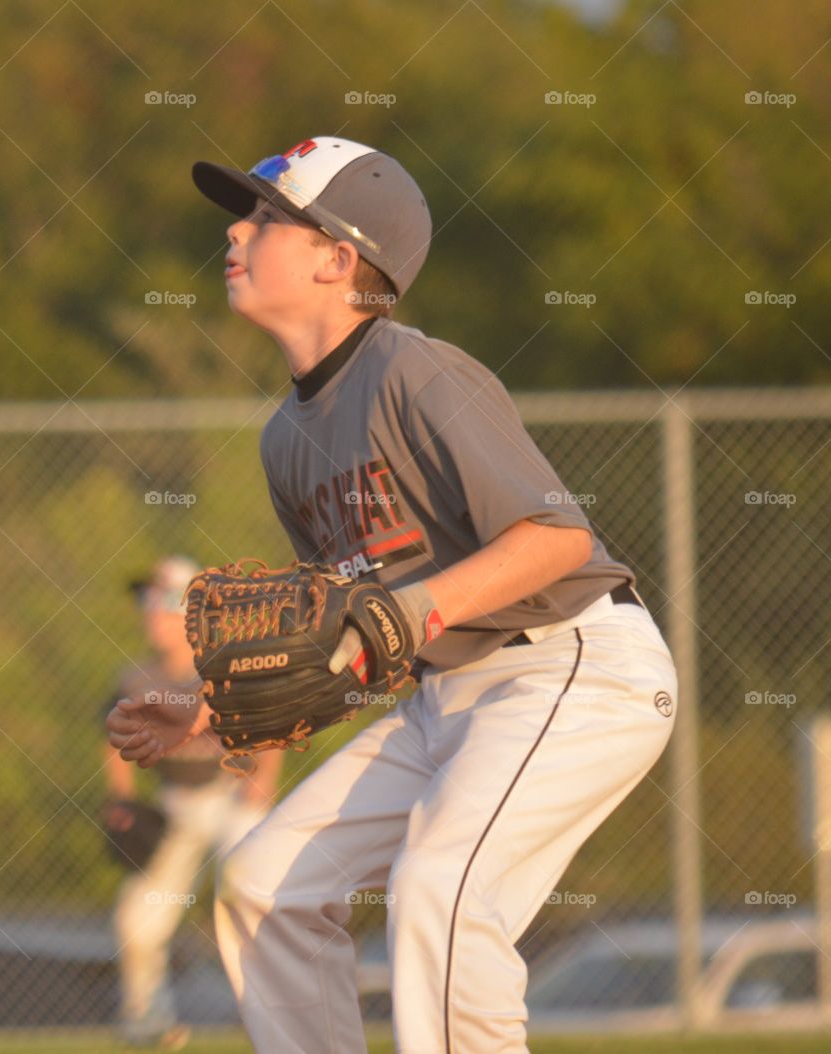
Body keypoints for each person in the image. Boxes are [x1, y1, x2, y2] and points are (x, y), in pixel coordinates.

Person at [107, 138, 678, 1053]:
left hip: (571, 668)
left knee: (441, 887)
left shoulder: (418, 372)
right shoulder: (284, 443)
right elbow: (347, 650)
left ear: (339, 258)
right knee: (262, 885)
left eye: (264, 217)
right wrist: (211, 719)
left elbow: (559, 538)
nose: (237, 231)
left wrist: (410, 612)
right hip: (445, 699)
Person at [102, 555, 280, 1048]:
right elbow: (112, 742)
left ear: (190, 610)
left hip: (232, 799)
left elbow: (274, 724)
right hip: (174, 806)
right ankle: (147, 1023)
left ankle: (275, 1015)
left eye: (161, 603)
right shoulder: (135, 677)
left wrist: (261, 785)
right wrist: (122, 801)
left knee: (252, 900)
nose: (149, 613)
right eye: (146, 602)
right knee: (137, 918)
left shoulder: (228, 664)